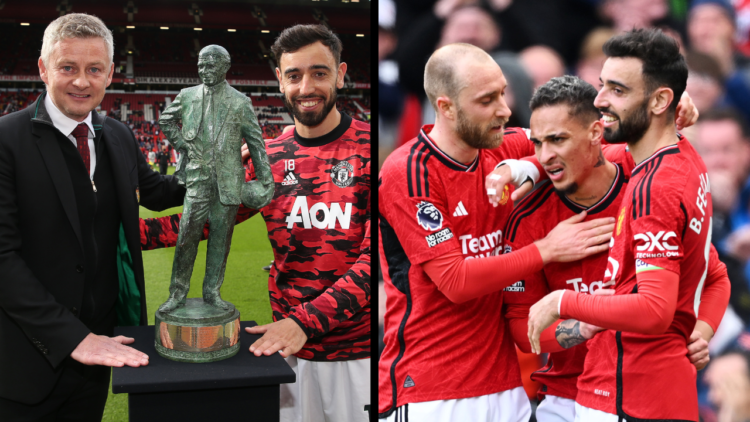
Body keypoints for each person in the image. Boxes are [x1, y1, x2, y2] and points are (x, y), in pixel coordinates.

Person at [142, 24, 371, 422]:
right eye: (294, 75)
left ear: (340, 73)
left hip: (355, 355)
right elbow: (216, 220)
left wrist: (304, 322)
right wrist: (118, 232)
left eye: (319, 73)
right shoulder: (275, 154)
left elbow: (377, 263)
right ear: (279, 80)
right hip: (285, 351)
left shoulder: (375, 151)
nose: (306, 88)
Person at [378, 43, 616, 421]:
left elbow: (590, 146)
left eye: (503, 93)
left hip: (507, 387)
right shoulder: (407, 172)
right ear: (446, 107)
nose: (504, 110)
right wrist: (547, 250)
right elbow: (455, 282)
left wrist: (532, 168)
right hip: (431, 390)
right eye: (487, 100)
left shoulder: (504, 145)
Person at [500, 75, 730, 422]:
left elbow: (715, 276)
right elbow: (522, 330)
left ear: (596, 132)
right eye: (538, 143)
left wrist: (700, 332)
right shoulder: (527, 219)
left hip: (643, 394)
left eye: (558, 140)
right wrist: (584, 324)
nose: (546, 156)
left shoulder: (644, 186)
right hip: (565, 397)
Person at [0, 13, 185, 421]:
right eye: (68, 67)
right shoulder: (6, 140)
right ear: (43, 69)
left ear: (110, 74)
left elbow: (158, 192)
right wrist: (72, 339)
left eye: (94, 69)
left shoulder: (117, 134)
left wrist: (216, 169)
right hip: (26, 361)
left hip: (101, 350)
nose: (81, 81)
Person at [156, 44, 273, 313]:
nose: (204, 70)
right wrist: (184, 145)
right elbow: (165, 120)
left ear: (224, 67)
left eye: (210, 65)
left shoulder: (240, 102)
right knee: (186, 235)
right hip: (197, 179)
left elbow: (256, 144)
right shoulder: (187, 96)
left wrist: (266, 181)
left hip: (229, 183)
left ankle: (212, 292)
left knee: (221, 240)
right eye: (200, 65)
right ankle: (177, 293)